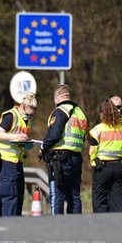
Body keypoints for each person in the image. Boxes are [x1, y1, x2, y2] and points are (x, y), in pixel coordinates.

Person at [39, 85, 87, 215]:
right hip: (76, 158)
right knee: (74, 195)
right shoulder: (80, 113)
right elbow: (82, 138)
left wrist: (43, 147)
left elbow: (54, 135)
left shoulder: (60, 111)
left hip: (60, 159)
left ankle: (57, 225)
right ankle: (75, 225)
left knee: (58, 194)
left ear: (57, 98)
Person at [0, 93, 38, 216]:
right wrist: (17, 136)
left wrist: (26, 142)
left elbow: (17, 142)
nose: (29, 117)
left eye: (31, 115)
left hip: (16, 162)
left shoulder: (25, 120)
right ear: (23, 106)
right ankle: (9, 225)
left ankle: (16, 224)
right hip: (6, 162)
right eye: (28, 114)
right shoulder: (11, 116)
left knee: (18, 197)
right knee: (10, 198)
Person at [89, 99, 122, 213]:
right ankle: (119, 224)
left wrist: (93, 162)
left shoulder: (97, 130)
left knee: (99, 199)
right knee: (119, 199)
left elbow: (92, 150)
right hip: (119, 167)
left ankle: (102, 225)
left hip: (102, 167)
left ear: (102, 114)